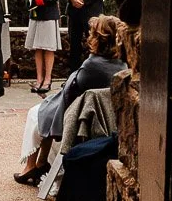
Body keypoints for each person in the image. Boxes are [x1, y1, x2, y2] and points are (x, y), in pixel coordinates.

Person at [13, 14, 125, 185]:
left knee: (36, 113)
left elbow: (70, 91)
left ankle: (31, 166)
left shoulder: (92, 65)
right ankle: (40, 164)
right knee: (45, 109)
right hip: (107, 119)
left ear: (97, 38)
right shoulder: (123, 64)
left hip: (80, 119)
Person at [23, 0, 66, 95]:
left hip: (48, 13)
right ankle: (39, 78)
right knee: (37, 47)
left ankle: (47, 79)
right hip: (36, 13)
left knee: (47, 47)